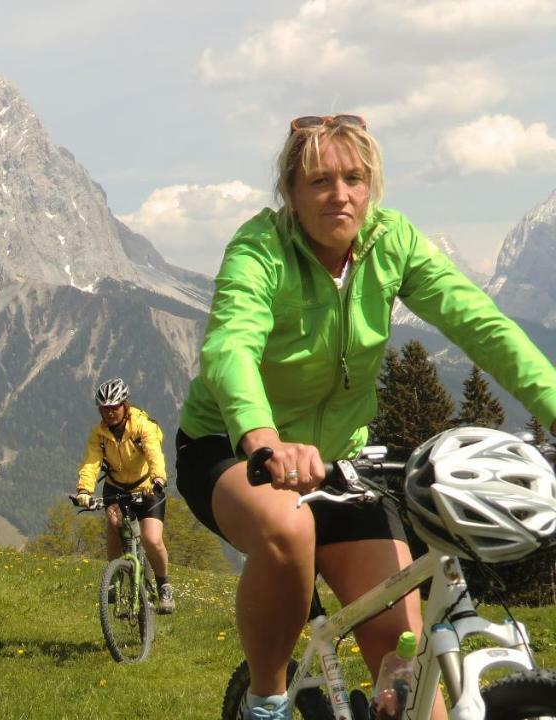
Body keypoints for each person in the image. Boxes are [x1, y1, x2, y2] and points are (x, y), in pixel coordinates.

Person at [174, 113, 556, 720]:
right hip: (231, 445)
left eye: (355, 178)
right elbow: (230, 348)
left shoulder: (391, 241)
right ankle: (265, 701)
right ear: (291, 193)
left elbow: (479, 323)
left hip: (339, 464)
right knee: (286, 529)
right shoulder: (261, 247)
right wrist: (263, 438)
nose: (341, 194)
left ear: (372, 185)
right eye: (320, 181)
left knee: (405, 676)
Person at [75, 378, 175, 613]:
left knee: (152, 539)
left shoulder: (142, 426)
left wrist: (158, 479)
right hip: (116, 488)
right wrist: (84, 491)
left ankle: (164, 586)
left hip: (147, 487)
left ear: (125, 405)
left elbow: (154, 454)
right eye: (104, 408)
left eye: (114, 407)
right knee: (114, 527)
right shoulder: (98, 435)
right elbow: (91, 463)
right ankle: (115, 577)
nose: (109, 413)